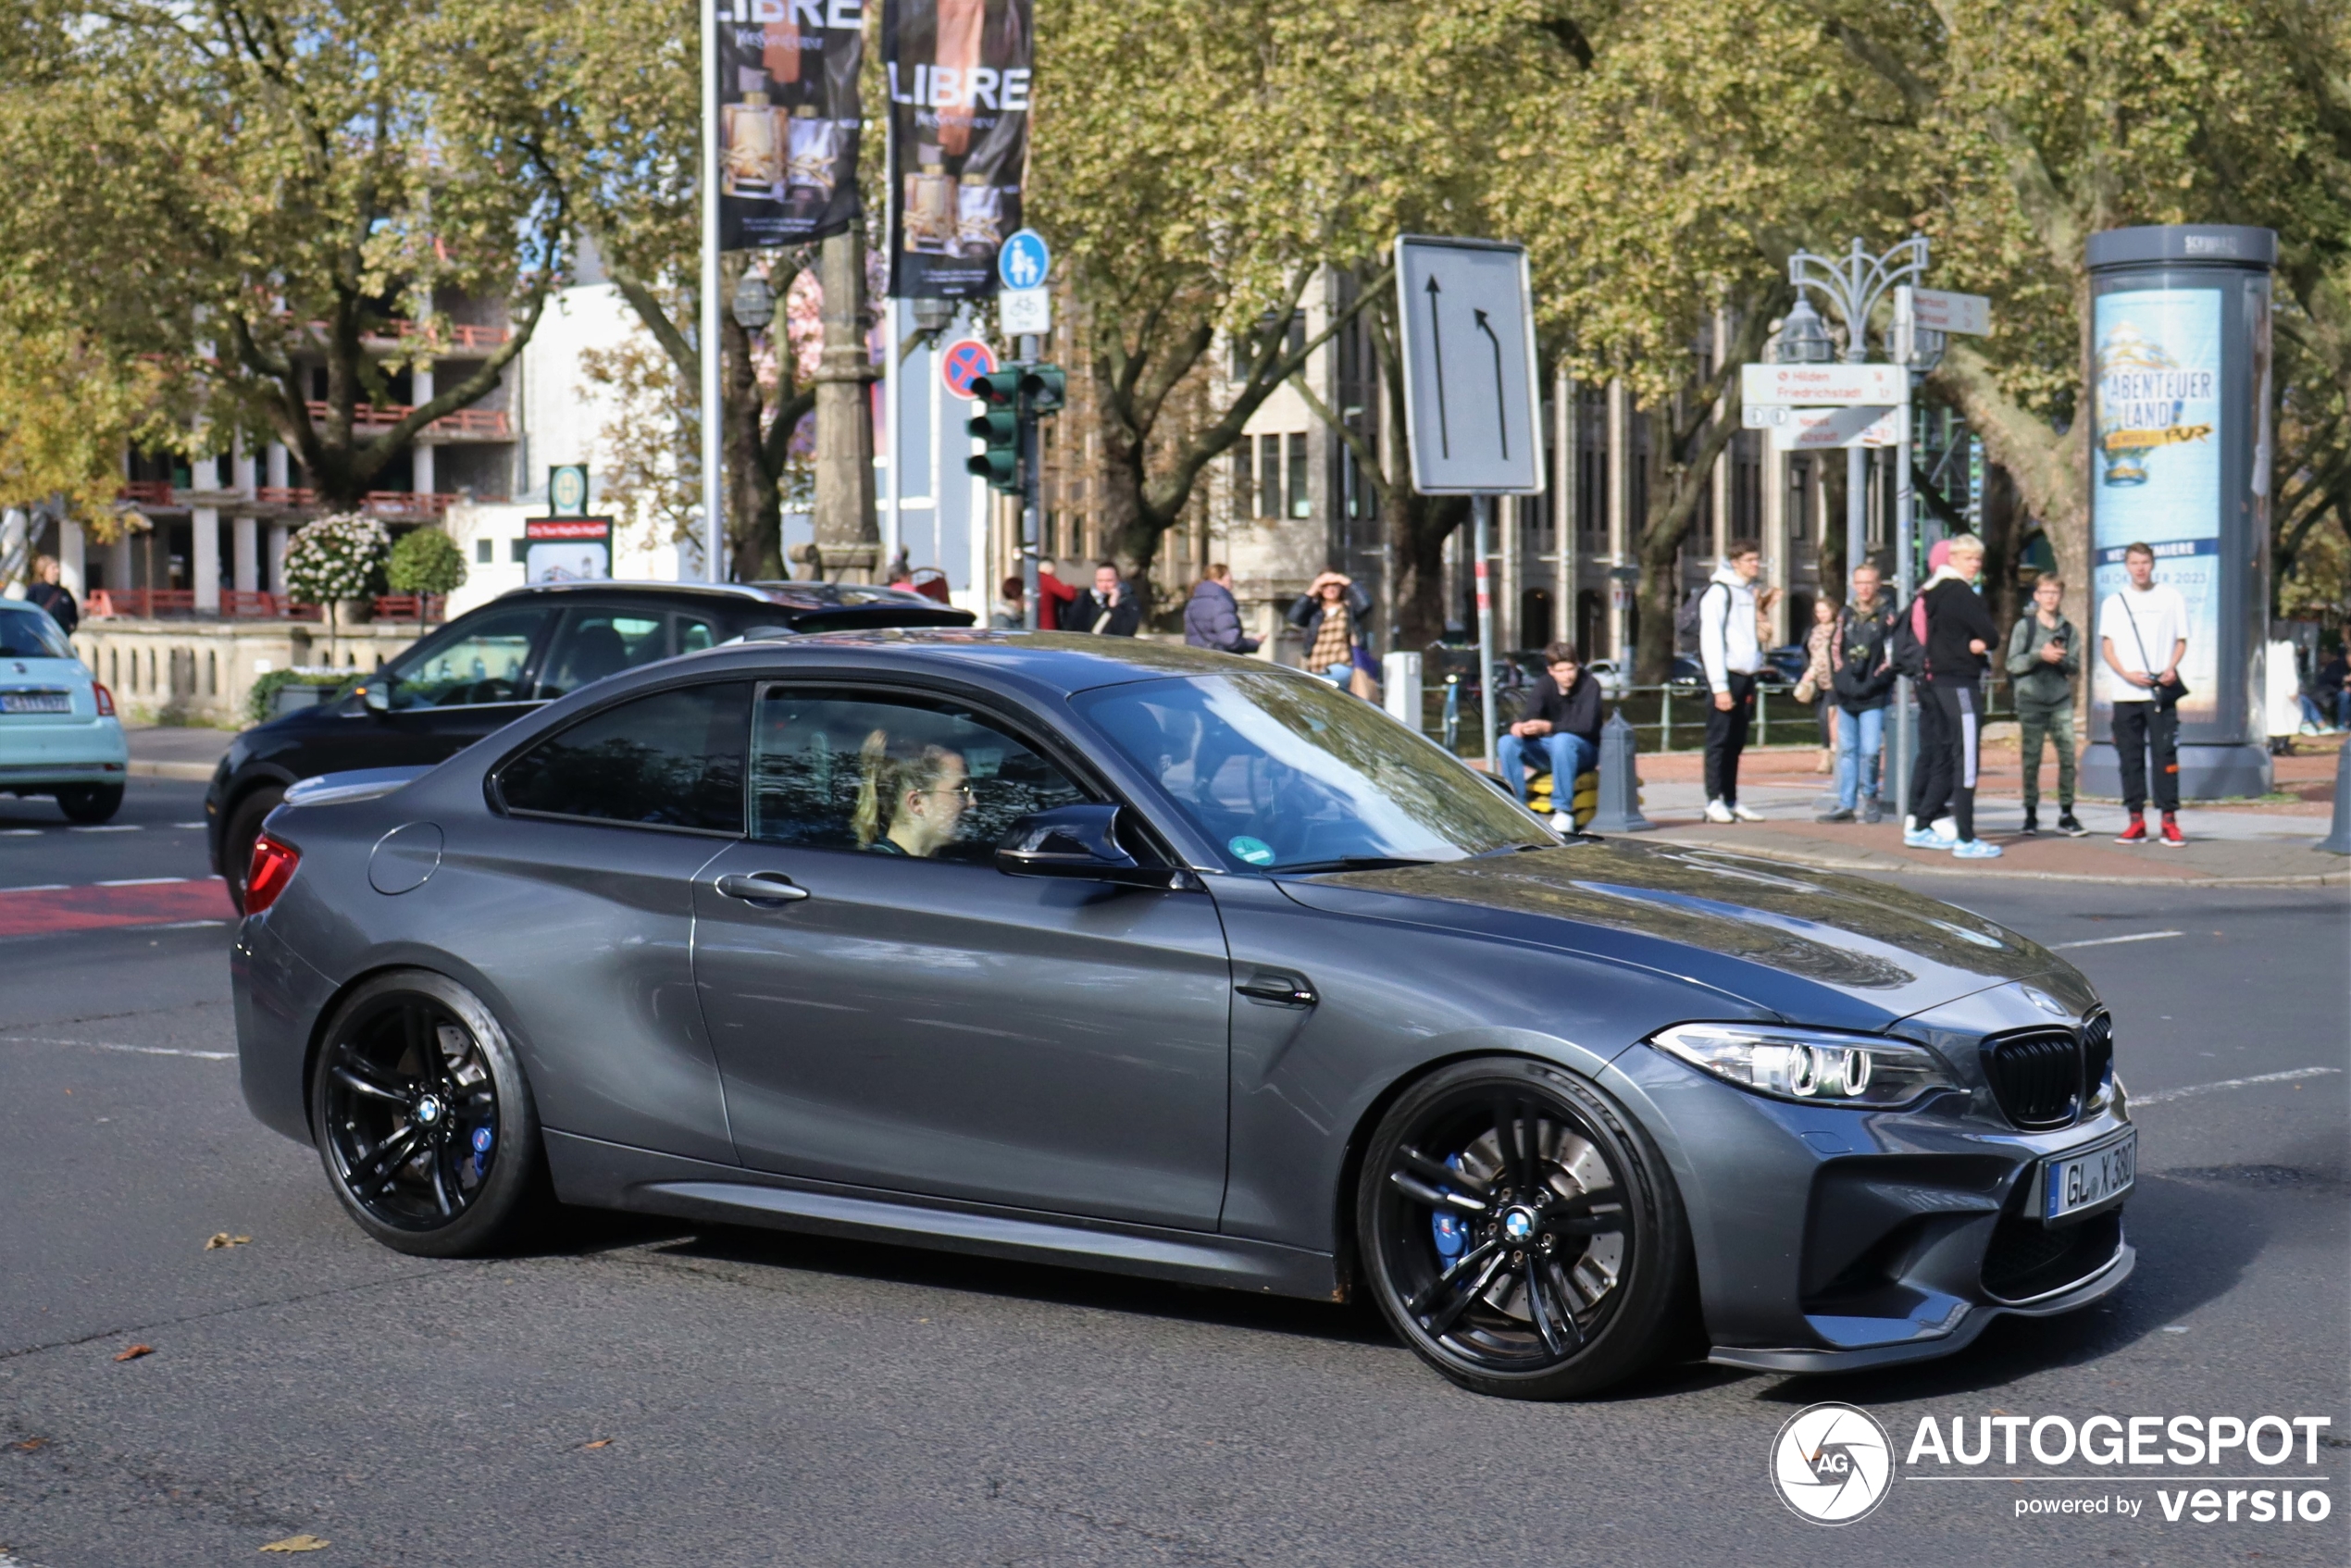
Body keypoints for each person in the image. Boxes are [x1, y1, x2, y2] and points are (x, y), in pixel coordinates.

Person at [2099, 541, 2191, 845]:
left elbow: (2181, 640)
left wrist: (2171, 667)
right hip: (2126, 693)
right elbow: (2108, 646)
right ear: (2126, 566)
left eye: (2145, 562)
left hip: (2158, 694)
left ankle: (2169, 820)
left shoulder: (2171, 597)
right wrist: (2126, 674)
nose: (2140, 568)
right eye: (2134, 563)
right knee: (2130, 758)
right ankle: (2135, 820)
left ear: (2152, 564)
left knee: (2165, 756)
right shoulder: (2114, 602)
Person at [1916, 532, 2001, 859]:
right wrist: (1981, 644)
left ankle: (1923, 822)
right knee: (1966, 759)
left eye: (1978, 559)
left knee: (1946, 753)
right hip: (1960, 681)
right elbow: (1991, 634)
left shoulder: (1931, 592)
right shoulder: (1962, 594)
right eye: (1969, 559)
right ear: (1953, 559)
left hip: (1936, 681)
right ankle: (1966, 838)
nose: (1975, 565)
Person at [1697, 542, 1774, 824]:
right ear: (1735, 562)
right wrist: (1719, 686)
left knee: (1736, 741)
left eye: (1757, 559)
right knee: (1718, 739)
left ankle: (1730, 797)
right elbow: (1712, 641)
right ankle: (1713, 799)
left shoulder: (1745, 592)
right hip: (1727, 675)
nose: (1756, 565)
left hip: (1746, 676)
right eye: (1750, 560)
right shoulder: (1719, 592)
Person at [2006, 573, 2086, 836]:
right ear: (2037, 596)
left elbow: (2074, 666)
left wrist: (2060, 658)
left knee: (2067, 756)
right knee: (2031, 758)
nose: (2050, 597)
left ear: (2061, 596)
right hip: (2030, 700)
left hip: (2059, 699)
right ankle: (2030, 813)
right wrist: (2039, 655)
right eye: (2046, 592)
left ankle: (2066, 812)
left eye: (2055, 592)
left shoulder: (2068, 629)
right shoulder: (2024, 627)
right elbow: (2013, 663)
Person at [1496, 641, 1602, 832]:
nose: (1567, 675)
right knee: (1507, 743)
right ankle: (1517, 807)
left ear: (1577, 665)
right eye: (1560, 671)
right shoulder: (1544, 684)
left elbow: (1586, 726)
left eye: (1571, 669)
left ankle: (1564, 811)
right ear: (1551, 671)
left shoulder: (1590, 685)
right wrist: (1523, 727)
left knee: (1563, 740)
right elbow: (1531, 715)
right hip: (1550, 749)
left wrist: (1549, 726)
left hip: (1583, 751)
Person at [1820, 563, 1895, 823]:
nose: (1863, 588)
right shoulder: (1846, 614)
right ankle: (1846, 803)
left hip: (1873, 695)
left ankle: (1871, 797)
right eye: (1859, 582)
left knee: (1871, 750)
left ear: (1878, 584)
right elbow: (1835, 649)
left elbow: (1891, 655)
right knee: (1848, 750)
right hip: (1846, 695)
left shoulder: (1887, 615)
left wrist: (1876, 681)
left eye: (1868, 582)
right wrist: (1840, 680)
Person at [852, 729, 969, 857]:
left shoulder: (890, 865)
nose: (972, 802)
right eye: (961, 790)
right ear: (917, 802)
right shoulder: (883, 871)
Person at [1287, 570, 1374, 686]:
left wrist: (1346, 581)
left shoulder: (1349, 609)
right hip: (1316, 667)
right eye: (1325, 586)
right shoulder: (1315, 612)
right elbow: (1294, 617)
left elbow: (1366, 604)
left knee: (1325, 683)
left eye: (1334, 585)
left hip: (1343, 664)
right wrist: (1313, 588)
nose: (1330, 589)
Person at [1183, 563, 1261, 653]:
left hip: (1197, 660)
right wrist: (1254, 643)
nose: (1231, 580)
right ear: (1218, 578)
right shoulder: (1221, 602)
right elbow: (1231, 641)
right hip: (1219, 661)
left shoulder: (1193, 602)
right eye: (1228, 577)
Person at [1801, 596, 1839, 774]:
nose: (1822, 614)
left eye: (1825, 610)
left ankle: (1832, 753)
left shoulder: (1839, 631)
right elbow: (1807, 653)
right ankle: (1827, 752)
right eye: (1818, 611)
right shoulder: (1812, 631)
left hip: (1836, 681)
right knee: (1823, 718)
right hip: (1819, 682)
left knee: (1831, 717)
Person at [1076, 562, 1142, 636]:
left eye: (1109, 581)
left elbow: (1127, 631)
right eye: (1100, 581)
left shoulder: (1129, 601)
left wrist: (1114, 606)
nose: (1104, 585)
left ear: (1118, 580)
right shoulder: (1086, 598)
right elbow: (1073, 625)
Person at [25, 554, 77, 636]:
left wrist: (71, 626)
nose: (57, 571)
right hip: (43, 636)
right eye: (53, 568)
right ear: (43, 570)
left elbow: (73, 614)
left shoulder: (64, 592)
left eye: (57, 568)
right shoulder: (35, 590)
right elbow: (27, 613)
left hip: (61, 638)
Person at [1033, 560, 1079, 631]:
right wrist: (1072, 588)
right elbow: (1069, 595)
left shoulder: (1032, 579)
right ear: (1051, 568)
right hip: (1047, 626)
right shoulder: (1047, 579)